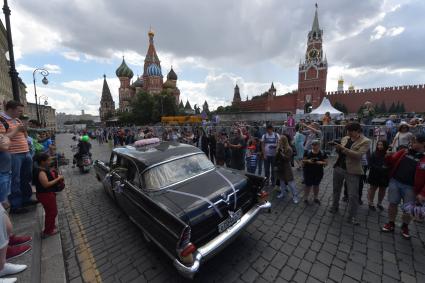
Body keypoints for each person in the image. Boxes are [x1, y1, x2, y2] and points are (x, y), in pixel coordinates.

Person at [381, 134, 425, 239]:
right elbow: (391, 160)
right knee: (393, 203)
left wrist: (422, 193)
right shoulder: (404, 151)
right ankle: (391, 223)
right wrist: (387, 157)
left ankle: (405, 226)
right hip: (395, 181)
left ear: (423, 144)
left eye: (415, 142)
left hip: (411, 188)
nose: (412, 143)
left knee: (408, 209)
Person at [329, 122, 371, 225]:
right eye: (348, 131)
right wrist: (337, 148)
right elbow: (341, 153)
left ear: (357, 130)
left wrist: (342, 148)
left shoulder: (365, 141)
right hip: (339, 167)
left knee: (353, 195)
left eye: (350, 131)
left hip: (352, 171)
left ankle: (351, 216)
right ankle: (334, 207)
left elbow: (358, 155)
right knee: (336, 189)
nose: (348, 133)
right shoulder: (345, 138)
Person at [1, 101, 36, 214]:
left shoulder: (17, 120)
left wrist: (24, 130)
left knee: (26, 177)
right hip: (14, 154)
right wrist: (17, 130)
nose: (21, 113)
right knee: (15, 180)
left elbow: (24, 135)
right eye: (19, 110)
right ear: (10, 109)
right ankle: (16, 205)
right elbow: (3, 139)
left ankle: (26, 199)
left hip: (25, 152)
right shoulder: (2, 120)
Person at [33, 153, 64, 238]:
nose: (50, 161)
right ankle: (48, 231)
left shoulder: (41, 168)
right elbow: (46, 184)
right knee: (52, 212)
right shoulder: (41, 171)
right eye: (48, 160)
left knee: (51, 211)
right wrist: (58, 178)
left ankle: (51, 226)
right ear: (43, 162)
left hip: (45, 194)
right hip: (45, 194)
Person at [302, 139, 328, 205]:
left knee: (316, 185)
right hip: (308, 172)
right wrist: (308, 161)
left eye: (315, 145)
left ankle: (316, 198)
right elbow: (303, 161)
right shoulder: (307, 152)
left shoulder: (322, 153)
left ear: (319, 145)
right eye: (313, 145)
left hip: (318, 172)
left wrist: (321, 162)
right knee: (308, 185)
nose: (314, 146)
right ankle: (306, 198)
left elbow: (326, 163)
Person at [274, 135, 299, 203]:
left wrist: (281, 153)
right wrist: (278, 152)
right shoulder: (278, 147)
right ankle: (283, 193)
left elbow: (287, 159)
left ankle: (295, 196)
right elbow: (276, 158)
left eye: (280, 141)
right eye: (279, 141)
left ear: (284, 141)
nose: (279, 142)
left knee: (290, 182)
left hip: (286, 167)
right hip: (280, 167)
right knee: (282, 182)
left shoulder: (289, 148)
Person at [367, 140, 390, 211]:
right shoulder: (374, 153)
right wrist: (379, 168)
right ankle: (370, 202)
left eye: (381, 145)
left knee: (382, 189)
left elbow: (391, 163)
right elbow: (371, 164)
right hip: (375, 174)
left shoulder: (388, 154)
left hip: (384, 175)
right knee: (373, 188)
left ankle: (379, 203)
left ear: (385, 146)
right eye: (378, 145)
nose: (379, 146)